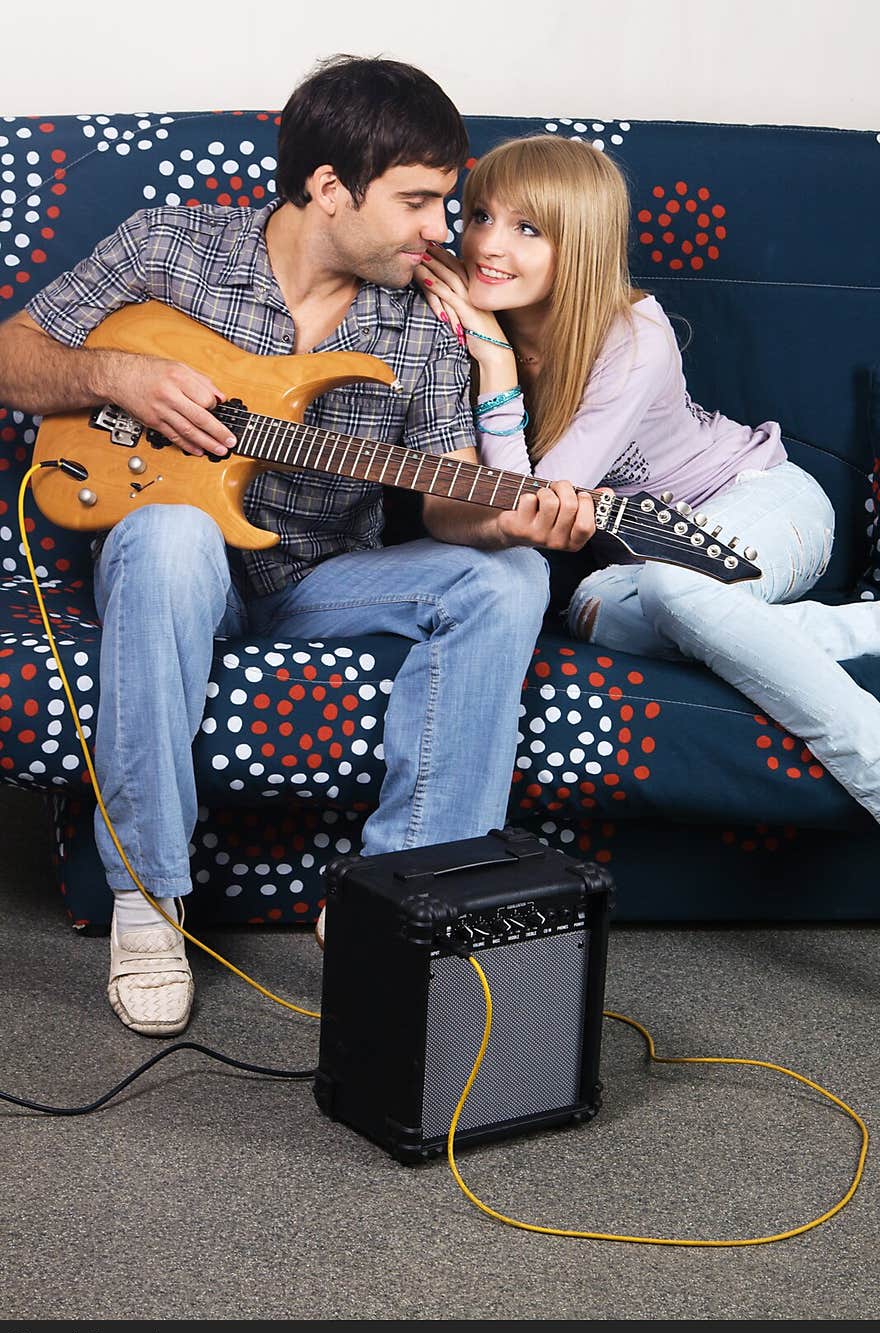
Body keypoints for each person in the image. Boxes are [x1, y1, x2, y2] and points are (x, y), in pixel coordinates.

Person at [0, 63, 595, 1038]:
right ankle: (146, 898)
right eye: (418, 200)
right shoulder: (170, 244)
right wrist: (120, 373)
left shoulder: (422, 328)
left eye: (445, 199)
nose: (444, 229)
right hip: (176, 564)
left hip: (320, 581)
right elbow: (12, 355)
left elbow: (449, 503)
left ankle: (399, 894)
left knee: (511, 575)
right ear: (328, 188)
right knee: (168, 534)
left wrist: (511, 515)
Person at [414, 132, 880, 831]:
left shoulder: (635, 332)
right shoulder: (458, 323)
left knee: (676, 585)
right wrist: (486, 347)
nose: (487, 245)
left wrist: (496, 365)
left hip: (762, 499)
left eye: (527, 228)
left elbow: (534, 500)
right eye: (480, 215)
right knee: (596, 610)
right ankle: (847, 630)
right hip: (628, 563)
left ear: (583, 246)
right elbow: (513, 522)